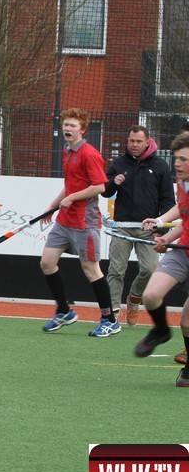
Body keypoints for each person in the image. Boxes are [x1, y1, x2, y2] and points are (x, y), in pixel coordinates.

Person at [40, 108, 116, 336]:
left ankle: (109, 320)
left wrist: (72, 198)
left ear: (82, 130)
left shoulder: (89, 154)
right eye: (65, 124)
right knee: (47, 263)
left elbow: (99, 186)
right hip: (65, 220)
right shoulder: (67, 151)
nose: (67, 128)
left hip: (85, 222)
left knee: (91, 270)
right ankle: (64, 311)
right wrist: (53, 205)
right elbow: (70, 184)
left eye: (72, 125)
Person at [131, 131, 189, 388]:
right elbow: (185, 216)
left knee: (187, 321)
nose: (178, 164)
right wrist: (165, 233)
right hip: (183, 250)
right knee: (151, 295)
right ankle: (161, 331)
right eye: (177, 159)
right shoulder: (183, 182)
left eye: (184, 159)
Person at [102, 126, 175, 328]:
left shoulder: (160, 166)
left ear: (147, 142)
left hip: (148, 228)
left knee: (150, 269)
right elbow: (105, 191)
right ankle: (112, 316)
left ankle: (134, 298)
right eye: (131, 141)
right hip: (122, 227)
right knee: (116, 270)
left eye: (138, 141)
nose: (134, 145)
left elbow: (168, 200)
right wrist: (113, 182)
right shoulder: (119, 163)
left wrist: (160, 229)